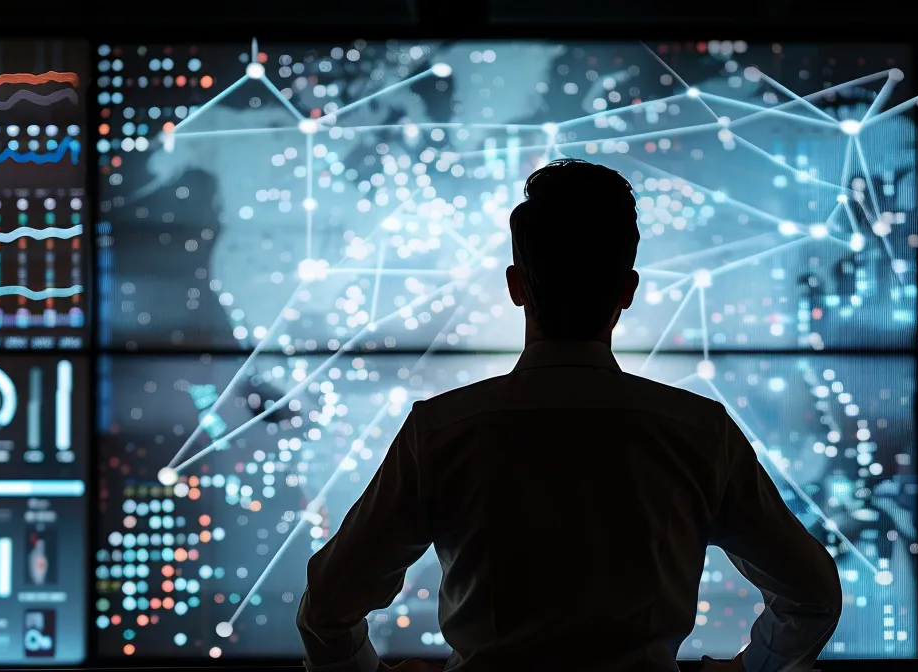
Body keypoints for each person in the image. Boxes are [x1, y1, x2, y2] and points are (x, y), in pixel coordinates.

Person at [296, 158, 843, 672]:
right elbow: (812, 598)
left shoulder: (440, 432)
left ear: (515, 286)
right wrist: (752, 669)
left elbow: (327, 610)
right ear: (627, 291)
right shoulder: (701, 432)